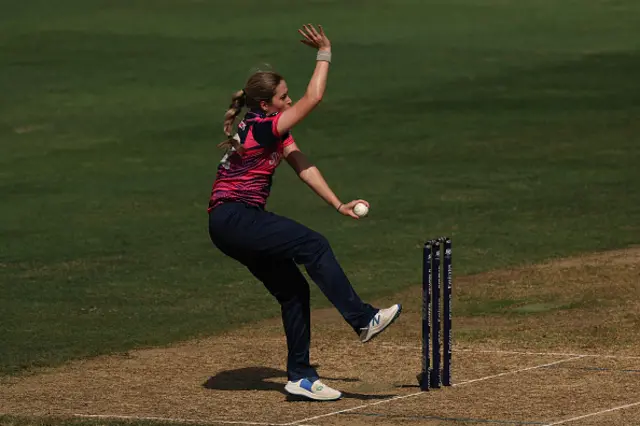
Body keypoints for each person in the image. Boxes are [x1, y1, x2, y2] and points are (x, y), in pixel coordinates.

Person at [207, 24, 401, 401]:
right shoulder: (262, 127)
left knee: (293, 289)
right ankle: (363, 320)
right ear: (265, 105)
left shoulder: (271, 130)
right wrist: (324, 52)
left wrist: (337, 203)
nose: (289, 99)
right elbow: (313, 98)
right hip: (234, 217)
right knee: (313, 245)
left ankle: (300, 376)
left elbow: (302, 165)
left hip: (229, 224)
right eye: (282, 97)